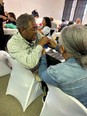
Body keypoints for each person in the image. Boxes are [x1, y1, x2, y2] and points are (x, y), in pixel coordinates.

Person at [39, 24, 87, 107]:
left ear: (63, 48)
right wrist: (57, 47)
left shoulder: (56, 72)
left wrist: (43, 56)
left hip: (68, 108)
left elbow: (42, 74)